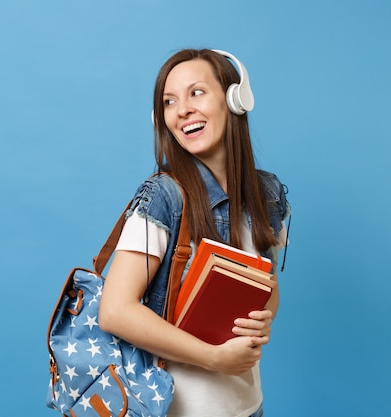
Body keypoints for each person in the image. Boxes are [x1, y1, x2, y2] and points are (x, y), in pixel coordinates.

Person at [99, 48, 290, 417]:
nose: (182, 109)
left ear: (235, 100)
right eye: (170, 101)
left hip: (248, 407)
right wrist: (213, 358)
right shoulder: (164, 197)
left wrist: (264, 317)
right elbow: (115, 311)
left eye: (196, 92)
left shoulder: (268, 195)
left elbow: (269, 291)